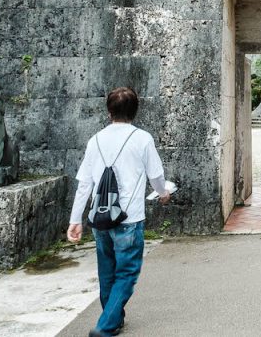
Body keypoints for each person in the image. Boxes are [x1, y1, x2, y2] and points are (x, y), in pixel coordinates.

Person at [67, 87, 172, 337]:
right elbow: (156, 176)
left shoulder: (95, 140)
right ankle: (104, 327)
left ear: (108, 111)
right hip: (129, 218)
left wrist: (75, 220)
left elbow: (84, 185)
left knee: (107, 270)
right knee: (126, 273)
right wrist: (163, 193)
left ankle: (114, 319)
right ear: (135, 111)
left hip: (100, 217)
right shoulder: (142, 138)